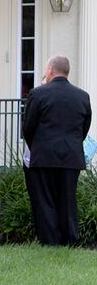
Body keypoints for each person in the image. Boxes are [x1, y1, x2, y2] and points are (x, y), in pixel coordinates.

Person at [22, 55, 92, 246]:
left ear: (50, 70)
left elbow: (28, 127)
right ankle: (70, 238)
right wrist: (73, 144)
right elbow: (84, 127)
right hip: (71, 156)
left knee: (45, 200)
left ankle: (50, 239)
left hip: (43, 155)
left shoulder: (38, 94)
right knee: (68, 199)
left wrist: (37, 146)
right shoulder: (82, 96)